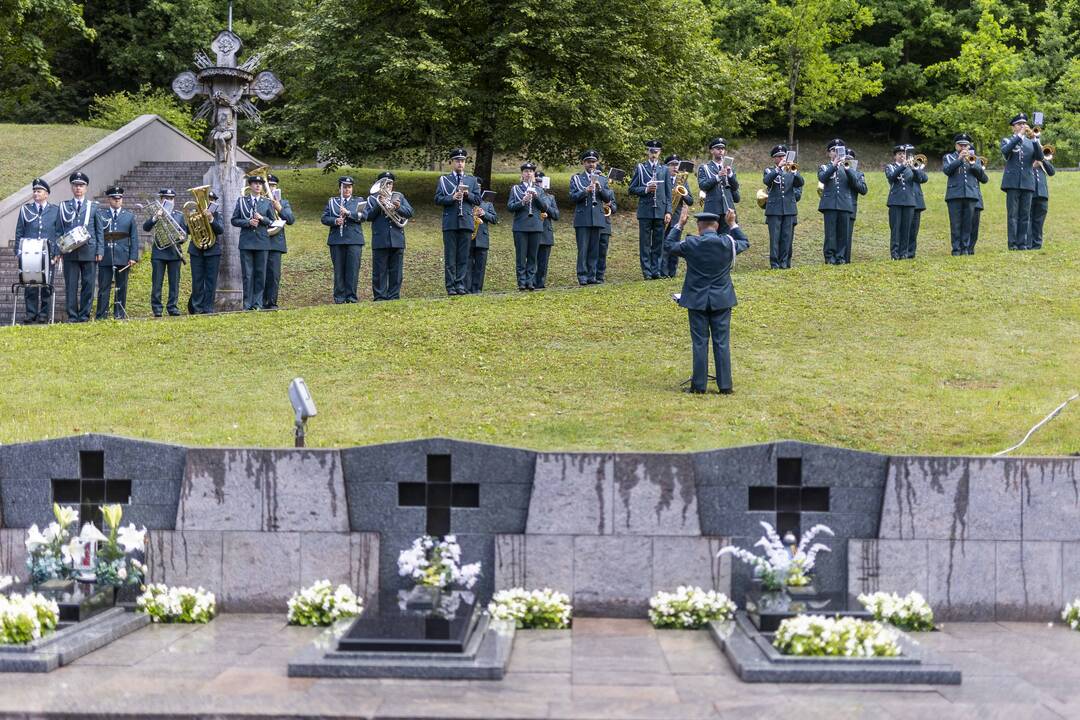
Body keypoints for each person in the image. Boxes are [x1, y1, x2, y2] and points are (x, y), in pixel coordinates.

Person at [664, 206, 749, 394]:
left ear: (699, 227)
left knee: (700, 342)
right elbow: (744, 241)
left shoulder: (692, 243)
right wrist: (733, 223)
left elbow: (668, 246)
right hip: (722, 299)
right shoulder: (727, 243)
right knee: (722, 342)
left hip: (697, 299)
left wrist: (678, 225)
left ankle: (699, 385)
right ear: (717, 226)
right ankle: (725, 386)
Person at [435, 148, 482, 295]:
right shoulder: (444, 180)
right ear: (452, 162)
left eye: (462, 161)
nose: (460, 164)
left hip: (466, 221)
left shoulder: (472, 180)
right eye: (457, 161)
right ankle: (450, 286)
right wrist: (451, 197)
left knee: (463, 256)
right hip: (450, 222)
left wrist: (467, 195)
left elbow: (478, 200)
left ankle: (460, 285)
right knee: (450, 256)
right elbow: (437, 199)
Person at [13, 178, 61, 324]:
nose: (35, 193)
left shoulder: (55, 210)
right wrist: (18, 251)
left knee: (46, 285)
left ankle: (44, 314)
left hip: (48, 254)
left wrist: (57, 253)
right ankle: (31, 313)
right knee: (30, 284)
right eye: (34, 191)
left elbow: (59, 232)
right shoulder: (26, 209)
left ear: (46, 194)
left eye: (39, 191)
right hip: (29, 253)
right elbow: (19, 231)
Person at [57, 171, 102, 322]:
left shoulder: (93, 206)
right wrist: (59, 250)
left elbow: (99, 230)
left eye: (81, 185)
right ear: (71, 187)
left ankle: (84, 314)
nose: (78, 188)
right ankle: (72, 315)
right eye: (76, 185)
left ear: (86, 188)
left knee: (88, 285)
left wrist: (100, 250)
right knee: (71, 285)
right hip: (70, 252)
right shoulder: (63, 206)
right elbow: (58, 229)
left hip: (89, 251)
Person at [569, 149, 614, 285]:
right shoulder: (576, 179)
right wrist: (585, 190)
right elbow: (572, 197)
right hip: (583, 218)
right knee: (583, 249)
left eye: (593, 162)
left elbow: (608, 198)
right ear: (584, 163)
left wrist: (600, 188)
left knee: (595, 249)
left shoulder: (603, 179)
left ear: (597, 163)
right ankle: (582, 276)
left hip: (598, 218)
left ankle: (592, 276)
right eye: (588, 162)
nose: (591, 165)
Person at [367, 171, 414, 301]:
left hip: (397, 238)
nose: (388, 186)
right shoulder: (372, 199)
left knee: (396, 271)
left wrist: (398, 208)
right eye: (385, 184)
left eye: (390, 183)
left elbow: (410, 212)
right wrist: (379, 204)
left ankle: (394, 295)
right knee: (379, 271)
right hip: (380, 239)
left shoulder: (399, 196)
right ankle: (380, 297)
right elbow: (368, 216)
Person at [94, 186, 139, 320]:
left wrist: (133, 256)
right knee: (104, 287)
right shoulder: (102, 215)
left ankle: (119, 313)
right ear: (109, 199)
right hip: (106, 255)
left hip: (123, 256)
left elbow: (134, 238)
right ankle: (101, 314)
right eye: (114, 198)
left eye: (119, 198)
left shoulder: (129, 216)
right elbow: (98, 235)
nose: (117, 201)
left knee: (122, 286)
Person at [231, 174, 275, 311]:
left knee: (260, 274)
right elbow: (234, 220)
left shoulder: (267, 202)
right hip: (246, 242)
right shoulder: (242, 201)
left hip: (262, 242)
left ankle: (257, 303)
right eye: (255, 183)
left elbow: (272, 221)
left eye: (260, 183)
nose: (258, 185)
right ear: (250, 185)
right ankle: (247, 304)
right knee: (247, 275)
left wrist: (262, 218)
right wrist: (248, 222)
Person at [321, 176, 367, 304]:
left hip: (354, 239)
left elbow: (364, 216)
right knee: (339, 269)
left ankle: (351, 297)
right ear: (339, 188)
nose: (347, 189)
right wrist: (335, 221)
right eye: (344, 187)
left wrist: (348, 213)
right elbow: (324, 218)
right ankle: (339, 298)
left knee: (353, 269)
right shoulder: (332, 201)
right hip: (337, 239)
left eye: (349, 187)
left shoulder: (359, 201)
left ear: (352, 188)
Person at [629, 139, 671, 279]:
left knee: (659, 242)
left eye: (656, 152)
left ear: (660, 153)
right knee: (645, 243)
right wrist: (646, 189)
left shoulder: (664, 169)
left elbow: (668, 193)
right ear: (648, 152)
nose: (654, 154)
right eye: (651, 151)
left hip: (660, 210)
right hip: (646, 211)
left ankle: (656, 270)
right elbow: (632, 189)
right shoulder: (641, 168)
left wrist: (668, 211)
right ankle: (647, 272)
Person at [1000, 113, 1042, 250]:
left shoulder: (1031, 143)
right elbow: (1006, 152)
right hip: (1012, 183)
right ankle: (1012, 244)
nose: (1022, 126)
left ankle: (1022, 243)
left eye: (1024, 124)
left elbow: (1040, 157)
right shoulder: (1007, 140)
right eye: (1019, 124)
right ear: (1013, 128)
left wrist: (1035, 139)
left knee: (1025, 215)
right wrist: (1019, 136)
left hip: (1028, 182)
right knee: (1012, 215)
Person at [143, 188, 187, 317]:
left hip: (174, 253)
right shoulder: (155, 213)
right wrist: (156, 216)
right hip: (159, 253)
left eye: (171, 198)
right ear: (161, 200)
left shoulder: (178, 215)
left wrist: (182, 238)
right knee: (157, 282)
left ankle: (172, 307)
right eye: (166, 198)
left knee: (174, 283)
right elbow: (146, 227)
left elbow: (185, 234)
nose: (169, 200)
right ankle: (157, 308)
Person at [943, 133, 988, 256]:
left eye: (966, 145)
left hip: (971, 194)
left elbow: (984, 179)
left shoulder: (975, 159)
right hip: (954, 195)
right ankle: (956, 249)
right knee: (955, 223)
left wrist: (973, 165)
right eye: (961, 145)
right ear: (956, 145)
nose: (963, 147)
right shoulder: (949, 157)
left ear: (969, 146)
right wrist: (959, 159)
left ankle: (966, 249)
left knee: (968, 224)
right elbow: (947, 170)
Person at [507, 162, 548, 290]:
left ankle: (530, 281)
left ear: (534, 174)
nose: (528, 173)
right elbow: (510, 207)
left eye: (531, 172)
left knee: (532, 256)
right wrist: (522, 201)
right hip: (520, 226)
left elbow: (545, 207)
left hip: (536, 226)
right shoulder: (516, 189)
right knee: (521, 256)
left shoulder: (539, 189)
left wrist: (536, 197)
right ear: (522, 174)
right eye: (526, 171)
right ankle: (521, 282)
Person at [762, 144, 802, 269]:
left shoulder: (792, 170)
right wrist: (778, 169)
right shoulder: (770, 171)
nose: (781, 159)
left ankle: (784, 262)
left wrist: (794, 172)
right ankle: (774, 263)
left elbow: (801, 183)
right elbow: (767, 181)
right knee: (775, 238)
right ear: (774, 159)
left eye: (783, 156)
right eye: (778, 157)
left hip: (789, 209)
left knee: (786, 237)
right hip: (774, 209)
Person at [817, 139, 856, 264]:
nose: (837, 153)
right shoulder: (824, 167)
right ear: (829, 153)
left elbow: (855, 183)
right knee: (830, 233)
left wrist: (848, 168)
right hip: (830, 204)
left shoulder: (848, 166)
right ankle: (830, 257)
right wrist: (834, 165)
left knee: (843, 233)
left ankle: (841, 257)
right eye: (834, 150)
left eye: (840, 150)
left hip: (845, 204)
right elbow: (822, 178)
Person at [187, 190, 225, 314]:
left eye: (211, 200)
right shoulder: (194, 213)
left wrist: (210, 218)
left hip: (213, 251)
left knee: (211, 281)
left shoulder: (217, 215)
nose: (208, 202)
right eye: (206, 199)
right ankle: (197, 307)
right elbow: (188, 230)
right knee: (197, 280)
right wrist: (193, 219)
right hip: (196, 250)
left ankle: (208, 308)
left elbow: (220, 230)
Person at [262, 174, 295, 310]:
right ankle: (258, 302)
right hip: (260, 241)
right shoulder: (259, 201)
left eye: (273, 185)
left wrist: (279, 208)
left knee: (274, 275)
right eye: (268, 185)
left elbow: (291, 220)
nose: (271, 187)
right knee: (260, 273)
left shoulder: (284, 202)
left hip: (276, 243)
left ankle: (271, 302)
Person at [660, 154, 693, 277]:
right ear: (666, 166)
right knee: (663, 244)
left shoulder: (683, 181)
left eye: (677, 165)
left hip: (676, 219)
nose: (675, 167)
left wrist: (682, 193)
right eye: (672, 165)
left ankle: (672, 272)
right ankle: (663, 272)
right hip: (663, 216)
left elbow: (690, 201)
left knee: (675, 245)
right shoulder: (663, 179)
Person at [697, 138, 739, 233]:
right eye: (718, 148)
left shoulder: (730, 168)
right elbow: (703, 186)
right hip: (712, 208)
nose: (721, 150)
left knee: (727, 238)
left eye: (722, 149)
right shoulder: (705, 168)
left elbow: (735, 187)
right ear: (712, 151)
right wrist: (717, 177)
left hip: (727, 207)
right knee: (711, 238)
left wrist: (730, 174)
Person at [885, 146, 917, 261]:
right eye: (899, 154)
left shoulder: (911, 168)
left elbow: (922, 179)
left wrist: (914, 168)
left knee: (906, 228)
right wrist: (903, 166)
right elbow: (891, 177)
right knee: (896, 228)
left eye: (903, 154)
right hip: (895, 201)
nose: (902, 156)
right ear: (895, 156)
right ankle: (895, 253)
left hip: (909, 201)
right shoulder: (890, 167)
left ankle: (904, 253)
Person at [467, 190, 497, 294]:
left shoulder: (487, 204)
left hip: (482, 238)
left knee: (480, 265)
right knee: (467, 264)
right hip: (468, 237)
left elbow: (494, 219)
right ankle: (467, 288)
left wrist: (484, 213)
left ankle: (477, 289)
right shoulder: (466, 202)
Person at [536, 172, 558, 289]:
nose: (539, 184)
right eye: (537, 181)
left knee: (543, 261)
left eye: (541, 181)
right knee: (531, 259)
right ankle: (530, 282)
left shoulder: (550, 198)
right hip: (533, 230)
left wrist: (546, 207)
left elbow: (556, 215)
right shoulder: (531, 195)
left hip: (546, 232)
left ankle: (540, 283)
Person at [846, 149, 867, 264]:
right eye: (846, 158)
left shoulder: (858, 174)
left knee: (848, 235)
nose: (848, 161)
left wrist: (852, 174)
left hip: (850, 207)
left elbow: (863, 190)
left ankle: (846, 259)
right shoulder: (838, 171)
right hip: (838, 206)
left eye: (850, 159)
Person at [1031, 149, 1054, 250]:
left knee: (1039, 221)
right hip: (1030, 192)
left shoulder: (1042, 162)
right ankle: (1027, 243)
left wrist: (1042, 159)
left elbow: (1052, 172)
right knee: (1028, 219)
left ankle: (1037, 244)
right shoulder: (1026, 160)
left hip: (1042, 194)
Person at [908, 147, 929, 259]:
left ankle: (911, 253)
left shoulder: (916, 167)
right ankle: (903, 252)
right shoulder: (899, 166)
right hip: (904, 200)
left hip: (917, 202)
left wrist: (914, 168)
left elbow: (924, 178)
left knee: (914, 229)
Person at [597, 196, 616, 283]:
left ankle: (600, 276)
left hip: (605, 225)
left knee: (603, 252)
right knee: (592, 250)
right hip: (595, 224)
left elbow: (614, 209)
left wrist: (610, 205)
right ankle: (591, 274)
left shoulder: (609, 192)